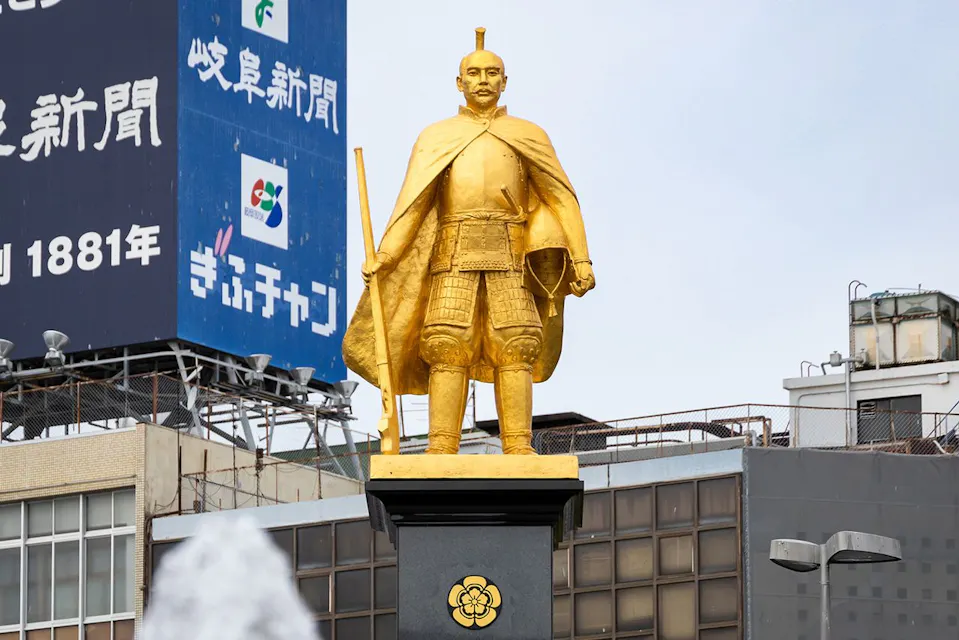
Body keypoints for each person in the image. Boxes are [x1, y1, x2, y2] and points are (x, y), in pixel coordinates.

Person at [343, 27, 595, 455]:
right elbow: (414, 204)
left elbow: (560, 195)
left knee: (516, 344)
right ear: (459, 82)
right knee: (446, 344)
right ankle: (442, 449)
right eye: (474, 72)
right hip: (453, 253)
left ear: (505, 81)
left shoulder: (528, 134)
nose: (483, 79)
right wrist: (386, 255)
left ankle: (519, 448)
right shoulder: (436, 137)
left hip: (511, 252)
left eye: (492, 72)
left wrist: (583, 260)